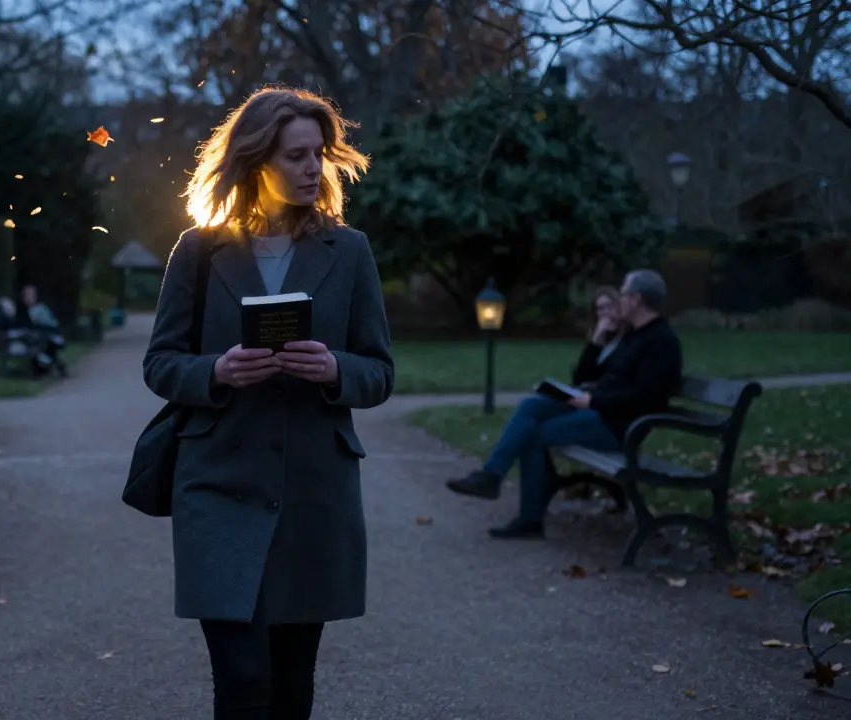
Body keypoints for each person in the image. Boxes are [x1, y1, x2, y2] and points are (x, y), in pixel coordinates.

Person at [142, 86, 394, 720]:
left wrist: (336, 368)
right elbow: (160, 363)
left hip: (313, 491)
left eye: (320, 156)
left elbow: (380, 371)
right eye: (296, 156)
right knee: (241, 679)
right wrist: (217, 370)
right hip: (218, 485)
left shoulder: (351, 250)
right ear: (257, 161)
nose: (313, 169)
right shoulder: (198, 252)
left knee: (289, 685)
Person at [445, 270, 683, 539]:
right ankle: (491, 476)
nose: (622, 299)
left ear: (637, 299)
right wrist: (595, 344)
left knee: (533, 435)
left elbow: (648, 396)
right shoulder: (633, 336)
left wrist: (594, 400)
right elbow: (586, 376)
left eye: (625, 294)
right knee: (531, 406)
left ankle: (529, 519)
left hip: (619, 425)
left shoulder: (661, 342)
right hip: (600, 410)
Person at [13, 284, 67, 377]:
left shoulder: (38, 309)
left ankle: (49, 366)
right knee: (40, 347)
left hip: (49, 334)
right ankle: (52, 366)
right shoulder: (25, 310)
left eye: (29, 295)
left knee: (43, 346)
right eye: (25, 296)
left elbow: (49, 324)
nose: (27, 298)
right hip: (42, 336)